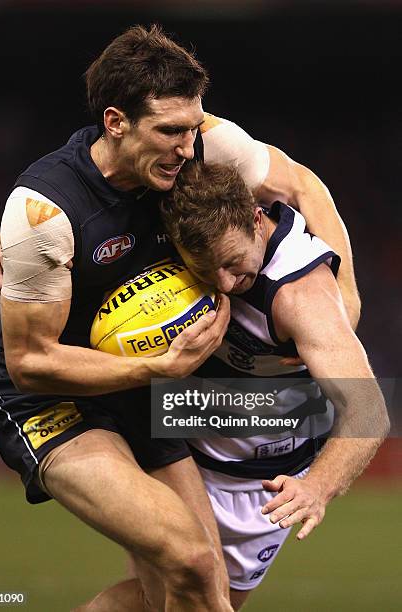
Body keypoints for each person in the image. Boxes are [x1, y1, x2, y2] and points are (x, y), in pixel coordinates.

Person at [0, 24, 361, 611]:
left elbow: (304, 184)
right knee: (189, 559)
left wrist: (344, 292)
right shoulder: (43, 213)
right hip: (48, 402)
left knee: (205, 587)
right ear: (115, 122)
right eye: (171, 131)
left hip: (144, 380)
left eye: (193, 125)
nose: (189, 147)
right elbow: (33, 363)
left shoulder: (204, 146)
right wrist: (165, 365)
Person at [159, 162, 390, 609]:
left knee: (164, 601)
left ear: (254, 217)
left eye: (231, 264)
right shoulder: (181, 218)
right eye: (207, 272)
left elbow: (369, 409)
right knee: (192, 596)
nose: (224, 283)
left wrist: (317, 487)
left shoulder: (298, 294)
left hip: (260, 481)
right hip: (178, 446)